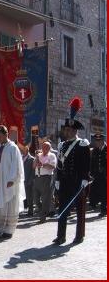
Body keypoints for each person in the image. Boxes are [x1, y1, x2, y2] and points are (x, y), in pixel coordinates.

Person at [53, 97, 91, 245]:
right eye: (65, 129)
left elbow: (85, 164)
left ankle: (79, 235)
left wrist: (84, 180)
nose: (66, 131)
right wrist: (57, 179)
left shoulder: (82, 144)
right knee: (62, 209)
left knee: (80, 209)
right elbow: (59, 165)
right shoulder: (62, 145)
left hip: (78, 181)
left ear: (74, 130)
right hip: (64, 181)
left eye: (69, 130)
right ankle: (60, 236)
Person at [0, 125, 25, 239]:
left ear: (6, 135)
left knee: (8, 205)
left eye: (0, 137)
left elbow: (16, 165)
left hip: (8, 181)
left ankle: (8, 230)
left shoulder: (13, 148)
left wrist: (12, 179)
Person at [34, 142, 57, 223]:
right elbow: (33, 166)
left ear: (49, 148)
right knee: (35, 198)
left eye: (46, 147)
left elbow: (53, 166)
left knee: (45, 199)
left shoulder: (52, 155)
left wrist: (43, 165)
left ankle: (43, 216)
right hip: (37, 177)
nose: (44, 149)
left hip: (47, 178)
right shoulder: (38, 155)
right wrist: (36, 158)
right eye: (43, 147)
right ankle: (43, 212)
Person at [89, 133, 107, 217]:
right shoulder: (95, 150)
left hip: (106, 175)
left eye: (99, 140)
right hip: (97, 175)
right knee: (96, 191)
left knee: (104, 192)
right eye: (96, 141)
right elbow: (92, 163)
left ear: (103, 140)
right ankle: (95, 204)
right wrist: (91, 173)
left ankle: (103, 209)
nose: (97, 142)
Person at [21, 145, 35, 216]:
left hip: (28, 181)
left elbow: (33, 172)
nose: (22, 151)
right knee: (22, 196)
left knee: (29, 197)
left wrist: (30, 181)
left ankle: (31, 211)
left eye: (23, 150)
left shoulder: (31, 159)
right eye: (22, 150)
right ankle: (22, 210)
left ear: (27, 150)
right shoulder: (21, 158)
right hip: (22, 180)